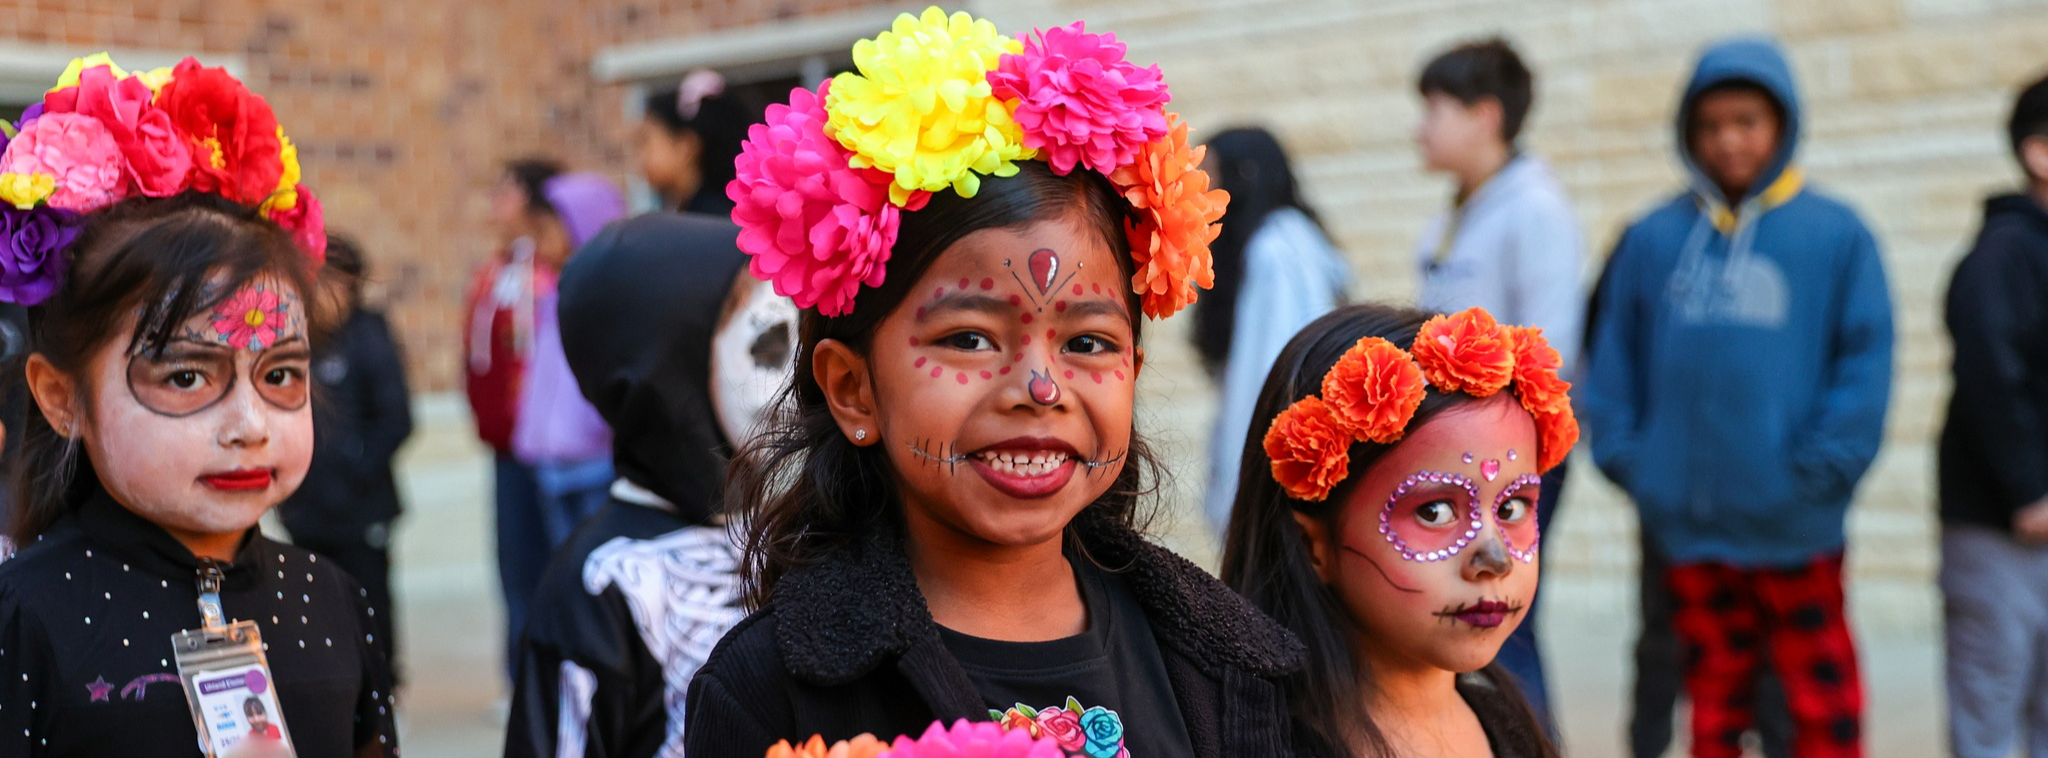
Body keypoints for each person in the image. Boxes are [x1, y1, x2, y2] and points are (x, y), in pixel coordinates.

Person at [686, 9, 1301, 755]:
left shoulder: (1227, 669)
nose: (1040, 389)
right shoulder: (767, 692)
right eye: (970, 339)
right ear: (852, 389)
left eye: (1087, 343)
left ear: (1133, 373)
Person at [0, 54, 396, 756]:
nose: (249, 427)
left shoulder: (332, 599)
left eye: (280, 374)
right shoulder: (23, 618)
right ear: (62, 397)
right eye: (186, 378)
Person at [1581, 36, 1893, 758]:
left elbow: (1865, 361)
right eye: (1711, 124)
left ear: (1782, 125)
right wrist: (1635, 462)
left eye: (1747, 122)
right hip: (1686, 527)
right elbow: (1613, 356)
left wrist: (1819, 474)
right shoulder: (1653, 238)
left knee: (1817, 708)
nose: (1728, 140)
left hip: (1796, 527)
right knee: (1714, 703)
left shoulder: (1837, 235)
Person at [504, 213, 796, 758]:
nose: (801, 384)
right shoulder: (599, 587)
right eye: (770, 347)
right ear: (670, 375)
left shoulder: (805, 532)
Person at [1221, 304, 1569, 758]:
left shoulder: (1511, 725)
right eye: (1434, 512)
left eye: (1513, 506)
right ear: (1312, 546)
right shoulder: (1263, 747)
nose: (1495, 559)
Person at [1410, 38, 1584, 730]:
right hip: (1461, 452)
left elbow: (1551, 352)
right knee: (1469, 620)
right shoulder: (1456, 212)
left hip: (1519, 453)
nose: (1421, 128)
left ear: (1486, 115)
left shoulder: (1534, 210)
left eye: (1436, 110)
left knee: (1506, 619)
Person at [1938, 71, 2048, 758]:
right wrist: (2029, 488)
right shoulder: (2005, 253)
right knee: (1990, 710)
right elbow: (1989, 374)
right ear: (2040, 154)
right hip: (2004, 530)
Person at [1196, 126, 1350, 539]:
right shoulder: (1273, 242)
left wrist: (1247, 480)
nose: (1199, 190)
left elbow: (1270, 373)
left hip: (1284, 464)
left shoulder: (1277, 250)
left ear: (1241, 176)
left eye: (1210, 175)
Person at [278, 233, 413, 674]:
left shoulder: (368, 337)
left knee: (368, 603)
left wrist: (353, 468)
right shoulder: (293, 338)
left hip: (360, 509)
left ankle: (382, 686)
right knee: (315, 607)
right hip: (305, 509)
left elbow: (396, 419)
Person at [466, 157, 562, 675]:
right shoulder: (498, 270)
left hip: (549, 447)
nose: (494, 204)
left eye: (503, 191)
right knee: (515, 566)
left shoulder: (549, 271)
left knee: (552, 564)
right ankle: (521, 678)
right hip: (505, 446)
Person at [637, 69, 749, 215]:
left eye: (645, 141)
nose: (640, 156)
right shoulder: (684, 208)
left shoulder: (709, 215)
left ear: (685, 147)